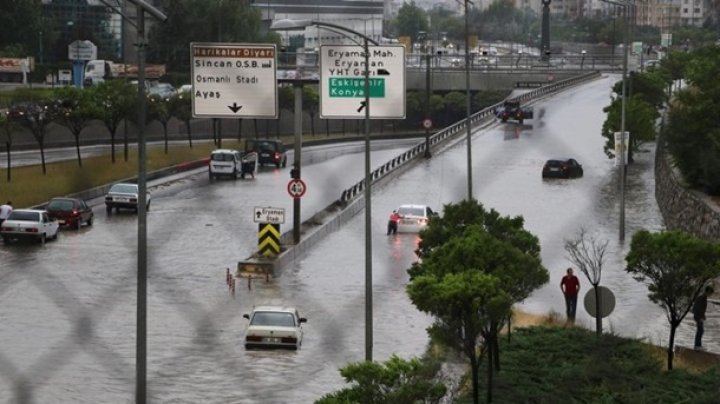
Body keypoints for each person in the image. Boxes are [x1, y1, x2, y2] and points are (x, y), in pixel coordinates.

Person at [693, 284, 714, 350]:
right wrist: (701, 317)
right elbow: (699, 308)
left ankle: (698, 345)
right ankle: (697, 346)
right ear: (707, 291)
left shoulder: (702, 297)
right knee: (700, 331)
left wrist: (703, 316)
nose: (710, 295)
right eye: (710, 293)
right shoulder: (702, 298)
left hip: (698, 316)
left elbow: (699, 308)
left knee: (700, 331)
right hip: (698, 316)